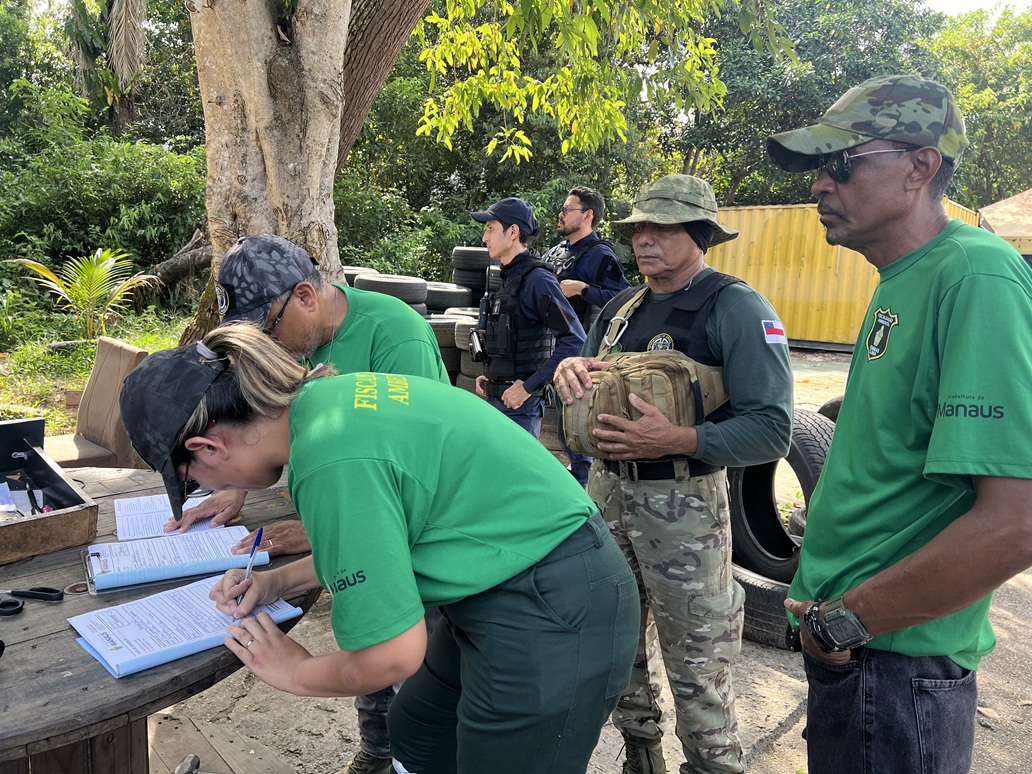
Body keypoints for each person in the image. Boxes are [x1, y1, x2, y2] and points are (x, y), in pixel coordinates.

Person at [119, 324, 639, 774]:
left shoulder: (327, 458)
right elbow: (376, 544)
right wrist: (276, 581)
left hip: (558, 604)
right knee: (418, 729)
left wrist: (295, 671)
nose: (208, 489)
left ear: (207, 447)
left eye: (193, 482)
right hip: (509, 577)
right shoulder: (324, 404)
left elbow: (391, 656)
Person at [765, 74, 1032, 774]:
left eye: (841, 161)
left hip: (893, 670)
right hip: (865, 663)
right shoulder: (904, 277)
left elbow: (1017, 522)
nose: (819, 184)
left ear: (920, 166)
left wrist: (842, 622)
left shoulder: (974, 275)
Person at [174, 233, 450, 774]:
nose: (265, 345)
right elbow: (261, 422)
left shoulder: (395, 334)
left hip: (414, 530)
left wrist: (318, 533)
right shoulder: (293, 341)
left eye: (267, 329)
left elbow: (406, 471)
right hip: (351, 516)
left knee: (413, 668)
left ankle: (406, 750)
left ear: (304, 296)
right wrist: (235, 483)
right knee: (363, 628)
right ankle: (377, 749)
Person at [553, 174, 794, 774]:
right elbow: (592, 375)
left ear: (701, 234)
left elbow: (772, 429)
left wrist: (679, 438)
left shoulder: (735, 307)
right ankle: (641, 756)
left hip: (684, 507)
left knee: (698, 662)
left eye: (663, 228)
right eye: (640, 227)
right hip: (608, 496)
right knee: (614, 646)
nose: (645, 239)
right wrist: (570, 374)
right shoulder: (621, 308)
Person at [470, 197, 586, 438]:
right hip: (498, 402)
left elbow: (575, 340)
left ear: (512, 232)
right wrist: (492, 378)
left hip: (521, 409)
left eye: (490, 229)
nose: (484, 238)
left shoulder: (537, 280)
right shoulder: (509, 278)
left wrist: (528, 387)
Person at [543, 186, 632, 484]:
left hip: (580, 355)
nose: (561, 214)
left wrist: (583, 289)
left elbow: (624, 298)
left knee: (576, 428)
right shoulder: (556, 252)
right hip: (549, 351)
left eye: (567, 209)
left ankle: (586, 490)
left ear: (588, 215)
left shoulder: (600, 255)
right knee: (557, 429)